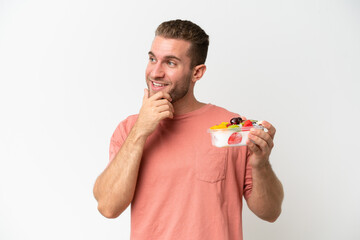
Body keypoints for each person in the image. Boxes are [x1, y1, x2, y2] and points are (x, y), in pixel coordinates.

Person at [93, 19, 284, 240]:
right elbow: (108, 207)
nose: (155, 72)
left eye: (170, 63)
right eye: (152, 59)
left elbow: (270, 212)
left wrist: (260, 165)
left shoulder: (232, 130)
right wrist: (140, 131)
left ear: (197, 73)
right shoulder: (129, 129)